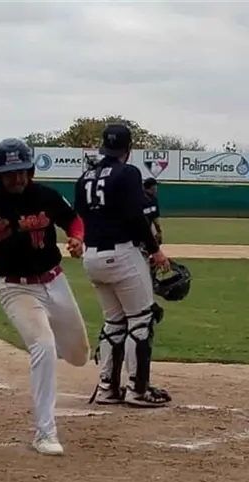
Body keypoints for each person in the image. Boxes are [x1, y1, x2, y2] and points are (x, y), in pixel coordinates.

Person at [0, 137, 90, 456]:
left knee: (79, 356)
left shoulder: (45, 196)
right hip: (15, 287)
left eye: (22, 171)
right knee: (43, 346)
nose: (18, 178)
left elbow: (74, 220)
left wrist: (77, 239)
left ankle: (56, 346)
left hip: (55, 281)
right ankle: (45, 433)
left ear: (31, 170)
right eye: (10, 173)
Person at [74, 124, 172, 408]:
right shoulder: (128, 173)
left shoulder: (85, 177)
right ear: (128, 150)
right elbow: (134, 217)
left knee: (114, 322)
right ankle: (137, 390)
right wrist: (155, 251)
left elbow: (81, 214)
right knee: (141, 319)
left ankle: (107, 388)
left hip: (92, 256)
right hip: (122, 254)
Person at [142, 177, 163, 246]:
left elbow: (154, 218)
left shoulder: (154, 199)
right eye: (156, 185)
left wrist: (158, 232)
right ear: (152, 187)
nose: (157, 188)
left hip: (146, 231)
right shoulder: (139, 198)